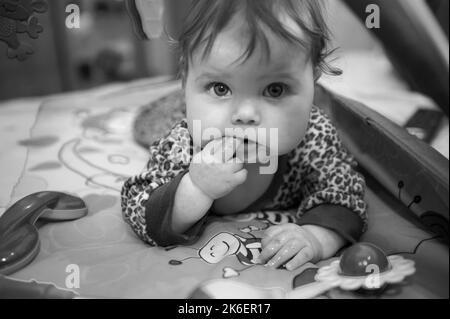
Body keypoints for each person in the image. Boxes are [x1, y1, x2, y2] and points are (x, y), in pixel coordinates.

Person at [121, 0, 367, 271]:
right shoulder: (183, 145)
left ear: (313, 81)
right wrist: (194, 188)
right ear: (185, 78)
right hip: (174, 117)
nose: (246, 114)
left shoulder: (314, 137)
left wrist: (316, 237)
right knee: (149, 126)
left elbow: (344, 194)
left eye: (275, 89)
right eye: (220, 87)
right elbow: (138, 207)